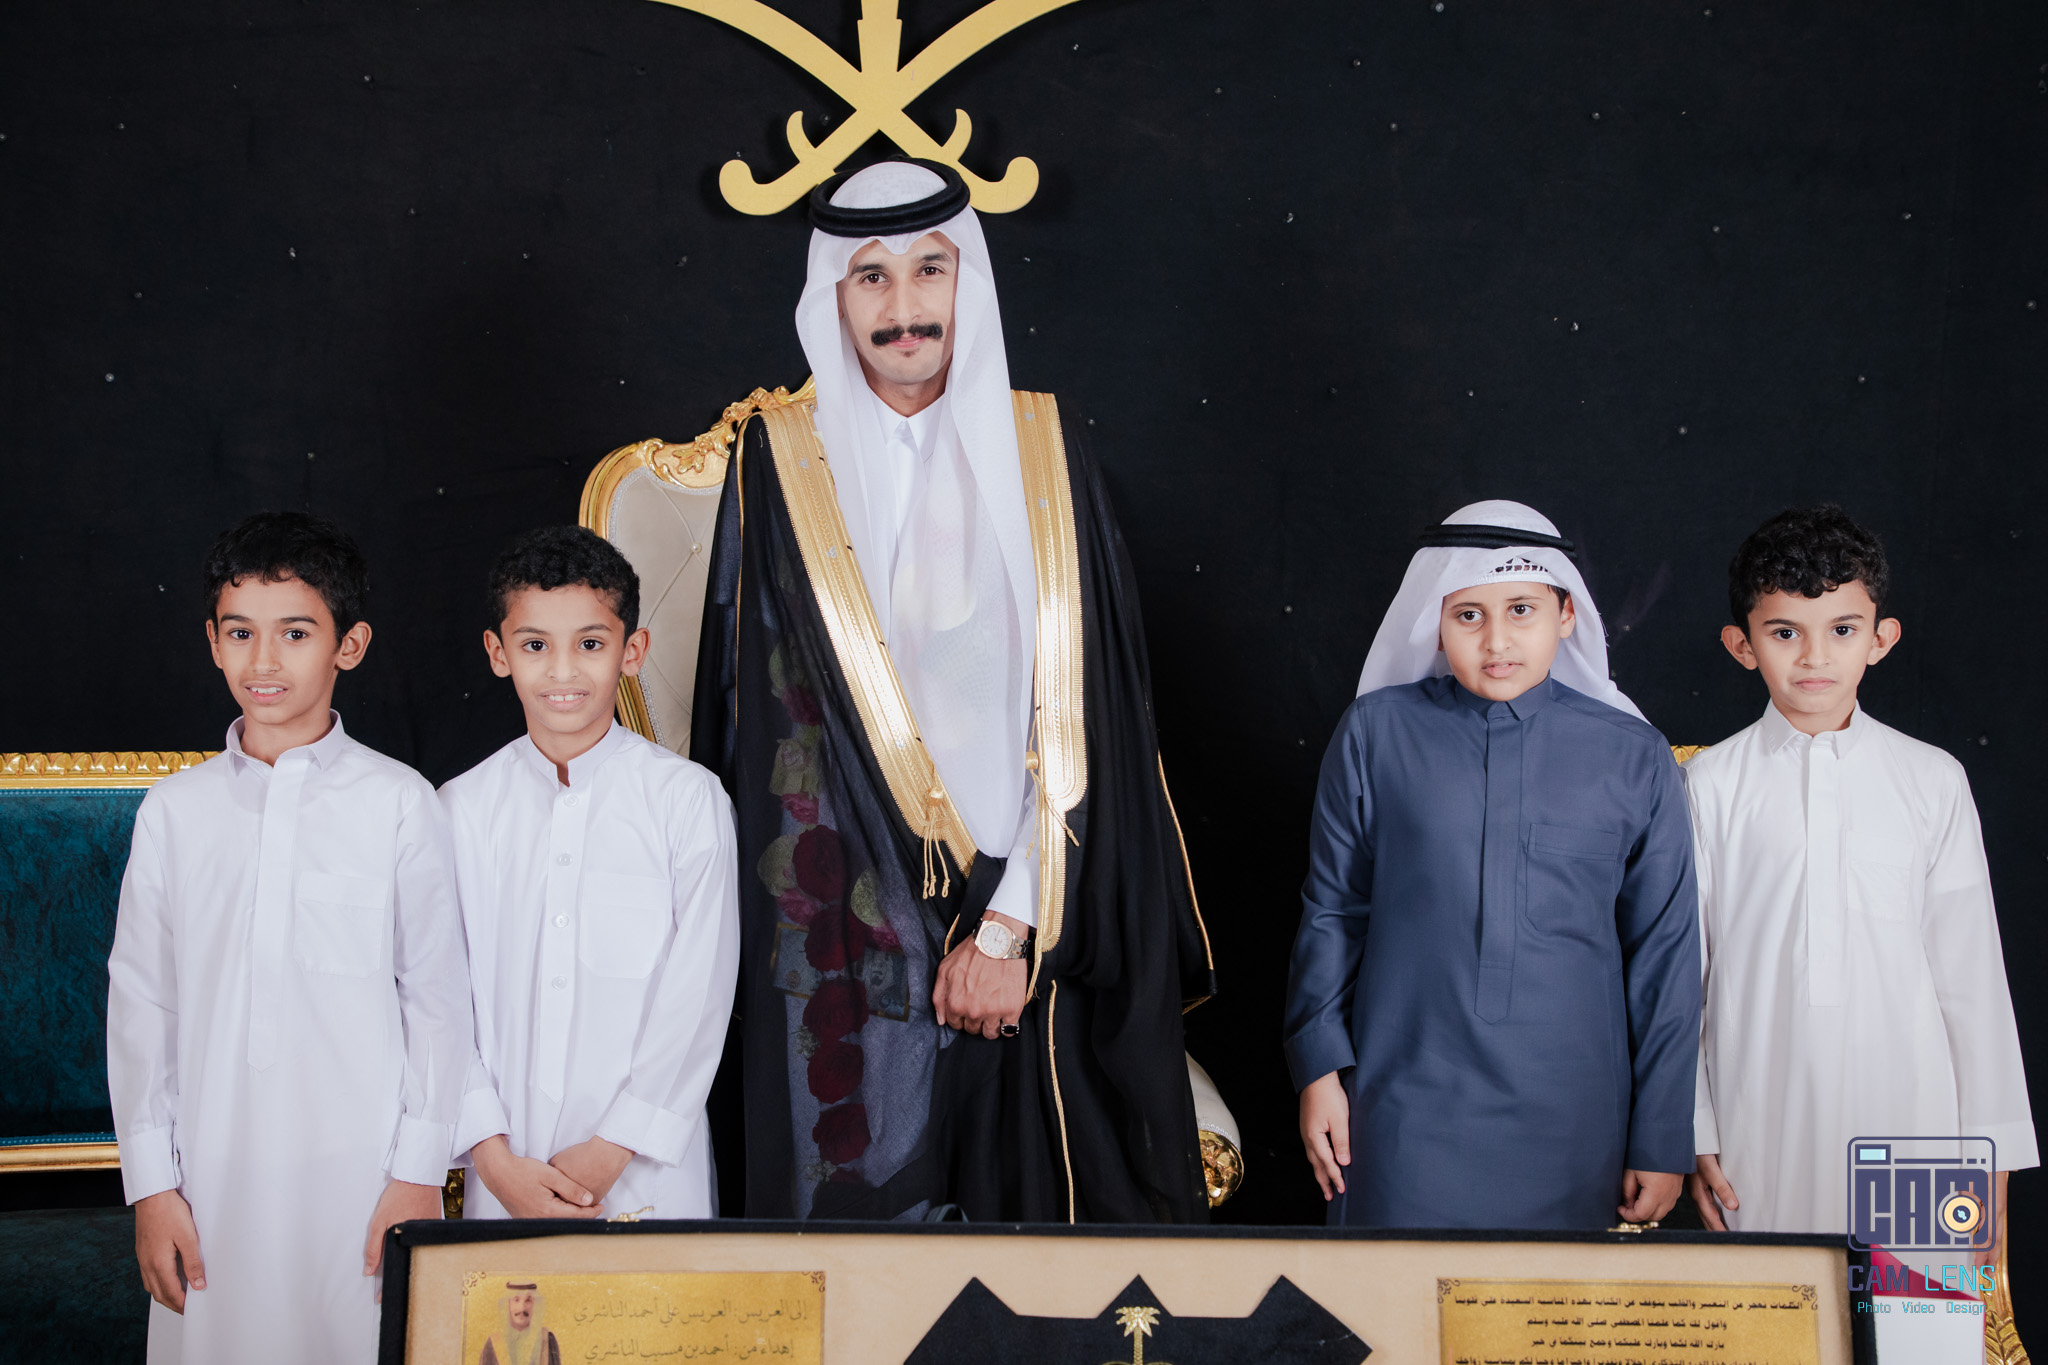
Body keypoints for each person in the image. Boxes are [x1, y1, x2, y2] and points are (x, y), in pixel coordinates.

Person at [693, 158, 1214, 1222]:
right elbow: (769, 733)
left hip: (1040, 917)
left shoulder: (1047, 451)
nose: (904, 306)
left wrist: (1008, 928)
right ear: (834, 296)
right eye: (871, 277)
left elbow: (1095, 721)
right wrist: (891, 940)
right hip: (848, 942)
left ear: (966, 277)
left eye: (929, 269)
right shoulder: (779, 465)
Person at [106, 512, 472, 1363]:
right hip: (211, 1177)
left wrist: (418, 1169)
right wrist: (152, 1185)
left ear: (350, 645)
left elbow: (438, 1001)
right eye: (241, 632)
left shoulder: (399, 802)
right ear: (213, 642)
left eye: (296, 633)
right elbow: (142, 1005)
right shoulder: (174, 812)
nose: (264, 660)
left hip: (363, 1180)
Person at [1285, 500, 1700, 1229]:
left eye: (1521, 610)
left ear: (1566, 616)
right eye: (1469, 615)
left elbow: (1665, 958)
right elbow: (1333, 912)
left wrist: (1663, 1135)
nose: (1497, 640)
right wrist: (1317, 1068)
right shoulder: (1376, 734)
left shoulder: (1634, 755)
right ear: (1435, 623)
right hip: (1400, 1103)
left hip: (1577, 1116)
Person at [1685, 505, 2036, 1236]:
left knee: (1913, 1302)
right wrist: (1692, 1127)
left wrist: (1993, 1148)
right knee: (1783, 1305)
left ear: (1881, 638)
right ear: (1742, 645)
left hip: (1917, 1124)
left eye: (1842, 630)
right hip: (1761, 1121)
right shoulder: (1709, 785)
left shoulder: (1931, 779)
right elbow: (1689, 974)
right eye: (1785, 632)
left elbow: (1971, 978)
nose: (1815, 657)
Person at [446, 527, 740, 1220]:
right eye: (534, 645)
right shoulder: (459, 809)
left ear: (631, 651)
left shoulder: (686, 800)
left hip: (646, 1172)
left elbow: (699, 991)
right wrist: (490, 1153)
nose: (562, 672)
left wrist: (616, 1145)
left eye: (589, 644)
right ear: (498, 652)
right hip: (506, 1172)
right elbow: (439, 998)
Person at [479, 1282, 561, 1365]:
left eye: (528, 1300)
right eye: (516, 1300)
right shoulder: (493, 1343)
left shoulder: (547, 1340)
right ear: (508, 1304)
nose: (522, 1308)